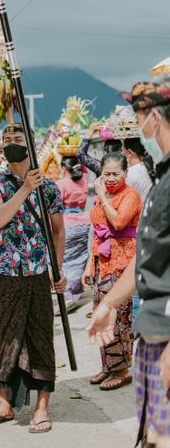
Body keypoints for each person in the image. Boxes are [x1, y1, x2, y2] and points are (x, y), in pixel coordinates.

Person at [88, 80, 170, 447]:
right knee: (151, 436)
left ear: (153, 117)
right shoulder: (163, 178)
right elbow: (147, 254)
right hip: (152, 329)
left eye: (137, 118)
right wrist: (109, 302)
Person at [0, 123, 66, 434]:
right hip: (4, 272)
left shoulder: (51, 188)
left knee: (41, 337)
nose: (13, 144)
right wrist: (25, 188)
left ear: (31, 144)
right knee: (4, 337)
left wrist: (58, 269)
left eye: (19, 139)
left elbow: (58, 232)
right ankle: (5, 404)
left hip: (38, 272)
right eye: (8, 140)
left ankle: (42, 408)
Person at [82, 152, 141, 391]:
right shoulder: (102, 196)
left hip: (122, 262)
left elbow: (118, 223)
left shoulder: (131, 195)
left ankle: (122, 369)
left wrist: (103, 198)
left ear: (125, 173)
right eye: (106, 174)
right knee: (100, 316)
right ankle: (108, 365)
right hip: (101, 263)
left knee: (119, 319)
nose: (111, 178)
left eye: (116, 173)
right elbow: (97, 231)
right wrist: (90, 263)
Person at [56, 155, 91, 311]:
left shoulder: (60, 184)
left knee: (65, 260)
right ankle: (75, 292)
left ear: (64, 168)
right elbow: (84, 166)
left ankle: (68, 295)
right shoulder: (84, 180)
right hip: (84, 224)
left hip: (67, 224)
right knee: (79, 258)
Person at [121, 137, 155, 201]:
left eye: (122, 150)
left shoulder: (130, 173)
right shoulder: (146, 165)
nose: (121, 153)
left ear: (129, 153)